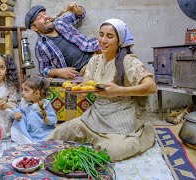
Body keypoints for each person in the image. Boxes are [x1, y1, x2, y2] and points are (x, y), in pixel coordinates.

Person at [47, 19, 158, 161]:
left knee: (111, 152)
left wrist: (119, 91)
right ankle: (96, 139)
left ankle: (143, 133)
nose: (103, 40)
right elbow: (86, 91)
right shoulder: (94, 61)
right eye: (101, 35)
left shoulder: (128, 60)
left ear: (120, 41)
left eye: (109, 36)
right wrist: (78, 92)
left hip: (121, 117)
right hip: (96, 115)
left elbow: (151, 87)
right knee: (59, 133)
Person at [24, 2, 100, 79]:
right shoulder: (40, 46)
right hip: (84, 70)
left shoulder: (61, 22)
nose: (46, 17)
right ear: (34, 28)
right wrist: (59, 72)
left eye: (45, 14)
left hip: (97, 51)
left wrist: (76, 9)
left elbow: (81, 14)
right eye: (39, 17)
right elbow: (44, 69)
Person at [10, 76, 57, 144]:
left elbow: (54, 118)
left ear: (36, 93)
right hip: (30, 134)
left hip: (45, 133)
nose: (22, 93)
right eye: (22, 90)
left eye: (26, 90)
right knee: (20, 119)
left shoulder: (45, 104)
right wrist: (16, 113)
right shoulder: (25, 104)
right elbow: (12, 112)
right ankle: (27, 141)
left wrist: (48, 120)